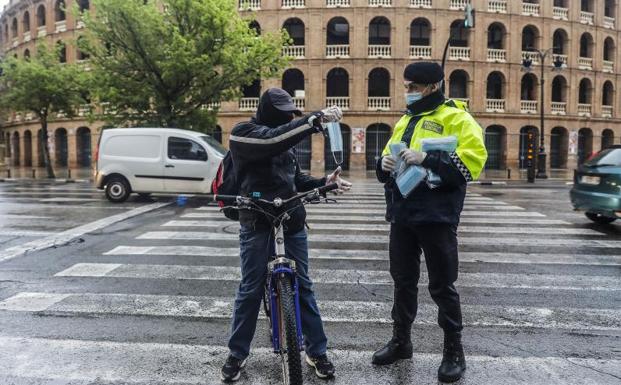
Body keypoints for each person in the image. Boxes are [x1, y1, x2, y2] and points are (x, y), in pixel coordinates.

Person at [220, 88, 352, 382]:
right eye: (282, 112)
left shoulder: (287, 140)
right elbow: (272, 140)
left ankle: (317, 352)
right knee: (251, 288)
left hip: (291, 219)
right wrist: (313, 120)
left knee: (303, 286)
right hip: (257, 221)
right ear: (266, 110)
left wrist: (324, 183)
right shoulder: (243, 133)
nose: (287, 116)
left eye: (290, 112)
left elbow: (296, 179)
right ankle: (237, 354)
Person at [372, 62, 487, 383]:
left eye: (412, 87)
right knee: (402, 281)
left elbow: (471, 165)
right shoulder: (406, 119)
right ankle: (401, 341)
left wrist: (428, 158)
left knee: (442, 285)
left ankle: (453, 351)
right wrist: (382, 164)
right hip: (402, 215)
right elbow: (385, 163)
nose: (406, 92)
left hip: (437, 216)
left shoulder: (458, 118)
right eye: (405, 86)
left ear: (432, 87)